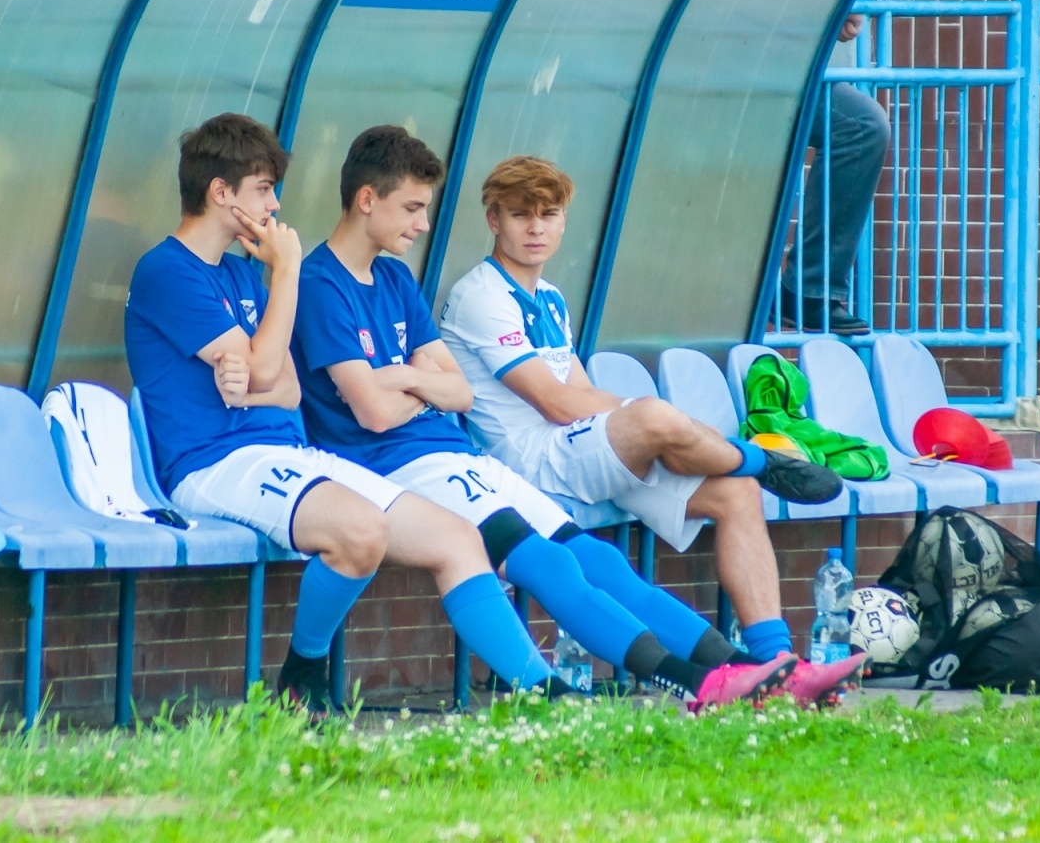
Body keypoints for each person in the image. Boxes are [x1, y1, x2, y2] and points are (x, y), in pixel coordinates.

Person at [293, 126, 867, 708]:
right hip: (398, 465)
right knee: (548, 561)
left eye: (550, 215)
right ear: (368, 199)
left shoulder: (395, 276)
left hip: (456, 454)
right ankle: (698, 682)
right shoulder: (321, 283)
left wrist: (408, 379)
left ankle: (756, 670)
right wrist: (424, 385)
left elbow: (458, 392)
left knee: (597, 560)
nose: (422, 225)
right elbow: (373, 412)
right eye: (413, 208)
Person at [125, 113, 569, 714]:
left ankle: (542, 692)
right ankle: (301, 678)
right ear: (221, 192)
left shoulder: (238, 272)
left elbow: (285, 389)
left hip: (288, 451)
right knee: (360, 531)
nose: (275, 206)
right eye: (264, 189)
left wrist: (253, 379)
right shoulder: (166, 269)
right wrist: (285, 274)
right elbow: (266, 370)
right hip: (214, 463)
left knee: (458, 536)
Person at [441, 155, 846, 674]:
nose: (536, 228)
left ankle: (777, 663)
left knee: (735, 493)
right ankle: (762, 461)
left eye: (549, 214)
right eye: (520, 215)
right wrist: (649, 420)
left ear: (564, 221)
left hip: (576, 451)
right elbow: (556, 403)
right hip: (529, 463)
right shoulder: (481, 295)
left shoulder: (550, 297)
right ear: (493, 220)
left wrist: (659, 427)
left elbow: (580, 390)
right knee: (654, 417)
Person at [779, 0, 908, 335]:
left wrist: (849, 4)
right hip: (736, 59)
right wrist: (829, 6)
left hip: (792, 61)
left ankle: (807, 290)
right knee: (859, 124)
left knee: (861, 125)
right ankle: (798, 290)